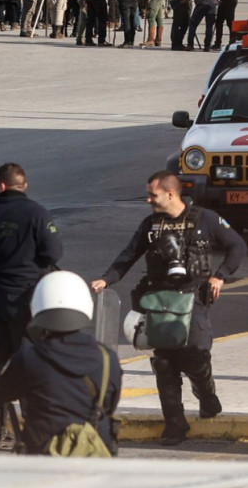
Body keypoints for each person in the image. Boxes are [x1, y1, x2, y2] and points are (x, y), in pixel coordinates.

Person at [91, 172, 246, 445]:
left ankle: (207, 398)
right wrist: (107, 278)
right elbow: (128, 254)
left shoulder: (205, 219)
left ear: (170, 194)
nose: (148, 199)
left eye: (153, 195)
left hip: (194, 298)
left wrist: (220, 275)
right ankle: (175, 424)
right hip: (160, 300)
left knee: (196, 358)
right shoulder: (151, 225)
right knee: (164, 363)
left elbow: (236, 245)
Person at [0, 162, 63, 449]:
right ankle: (32, 430)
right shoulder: (37, 213)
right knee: (30, 363)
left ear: (0, 185)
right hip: (29, 301)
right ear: (24, 185)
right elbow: (53, 252)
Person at [0, 271, 122, 456]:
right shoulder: (107, 358)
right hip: (93, 451)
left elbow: (0, 390)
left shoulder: (30, 357)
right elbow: (109, 404)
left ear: (38, 306)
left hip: (42, 451)